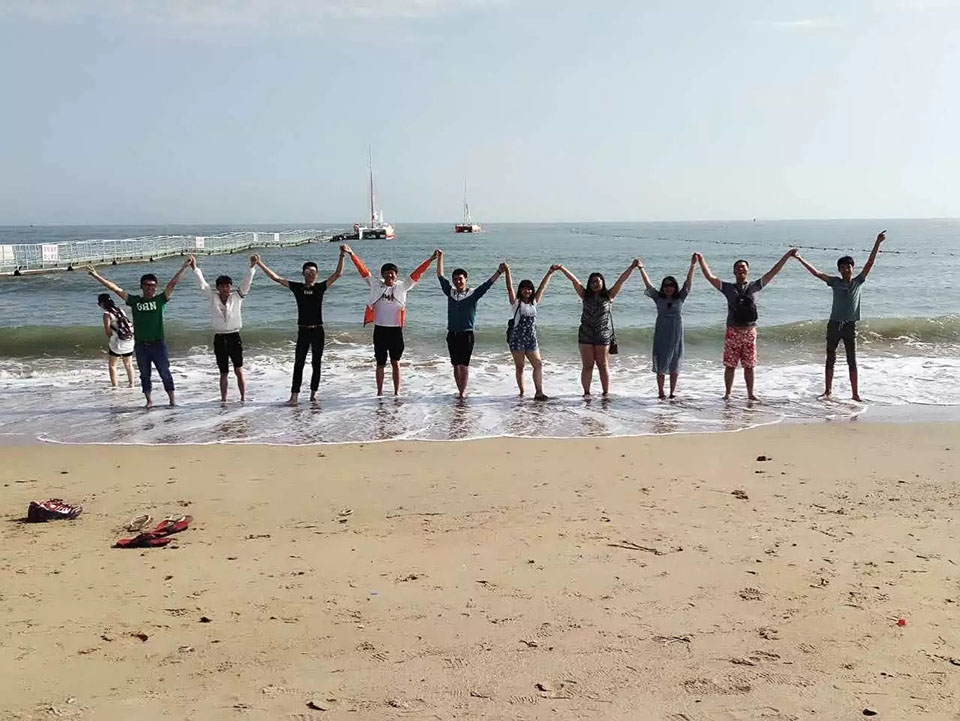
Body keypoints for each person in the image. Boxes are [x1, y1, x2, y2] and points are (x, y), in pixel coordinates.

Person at [794, 231, 886, 401]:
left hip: (850, 325)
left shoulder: (858, 281)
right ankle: (828, 391)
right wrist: (799, 258)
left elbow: (870, 263)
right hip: (834, 324)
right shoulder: (835, 282)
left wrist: (878, 242)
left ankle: (855, 394)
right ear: (839, 269)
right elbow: (817, 273)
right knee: (830, 358)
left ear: (852, 268)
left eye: (848, 267)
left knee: (852, 360)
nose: (846, 269)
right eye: (842, 267)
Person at [88, 259, 191, 408]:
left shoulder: (160, 300)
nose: (150, 288)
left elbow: (172, 284)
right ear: (141, 286)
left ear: (155, 287)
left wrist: (184, 267)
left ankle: (172, 400)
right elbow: (115, 289)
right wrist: (97, 276)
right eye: (147, 285)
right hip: (141, 345)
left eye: (152, 285)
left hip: (158, 343)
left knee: (165, 372)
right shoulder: (135, 301)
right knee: (144, 374)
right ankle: (149, 401)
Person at [697, 249, 797, 400]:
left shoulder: (755, 286)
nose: (740, 269)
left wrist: (787, 256)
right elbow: (710, 277)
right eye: (738, 267)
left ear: (748, 270)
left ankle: (751, 394)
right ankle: (727, 394)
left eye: (743, 267)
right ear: (734, 272)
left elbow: (773, 272)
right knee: (730, 365)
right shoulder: (728, 288)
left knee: (749, 366)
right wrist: (700, 260)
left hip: (750, 331)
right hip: (733, 331)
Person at [343, 244, 438, 396]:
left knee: (395, 362)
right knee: (380, 363)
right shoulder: (375, 284)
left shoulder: (403, 286)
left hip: (395, 331)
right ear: (382, 274)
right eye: (386, 273)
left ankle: (396, 392)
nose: (389, 276)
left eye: (392, 273)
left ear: (396, 275)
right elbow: (362, 270)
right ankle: (379, 392)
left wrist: (431, 259)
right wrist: (351, 254)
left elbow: (417, 273)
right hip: (380, 330)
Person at [256, 249, 346, 406]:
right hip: (303, 330)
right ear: (303, 274)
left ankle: (313, 395)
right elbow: (276, 278)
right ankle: (294, 397)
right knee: (299, 363)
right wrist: (259, 263)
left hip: (318, 330)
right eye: (308, 271)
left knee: (316, 363)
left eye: (313, 272)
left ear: (317, 274)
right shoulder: (297, 288)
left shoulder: (320, 287)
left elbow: (338, 274)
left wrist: (342, 255)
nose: (311, 274)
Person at [556, 260, 640, 397]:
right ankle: (586, 394)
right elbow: (574, 281)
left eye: (597, 281)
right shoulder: (585, 295)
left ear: (602, 282)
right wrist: (562, 268)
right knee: (587, 365)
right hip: (586, 334)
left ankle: (605, 394)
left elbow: (621, 280)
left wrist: (632, 267)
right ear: (589, 284)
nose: (595, 284)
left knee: (603, 365)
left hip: (602, 334)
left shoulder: (609, 295)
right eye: (592, 282)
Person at [188, 253, 258, 403]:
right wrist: (194, 267)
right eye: (222, 286)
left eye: (227, 286)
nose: (225, 289)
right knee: (223, 372)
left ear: (230, 287)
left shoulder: (237, 297)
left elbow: (246, 283)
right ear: (218, 287)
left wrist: (252, 267)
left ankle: (243, 398)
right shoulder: (213, 296)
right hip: (219, 338)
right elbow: (202, 285)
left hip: (234, 336)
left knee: (238, 370)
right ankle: (224, 400)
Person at [436, 249, 504, 399]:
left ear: (466, 279)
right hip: (452, 334)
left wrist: (499, 272)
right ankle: (459, 390)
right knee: (455, 365)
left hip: (466, 334)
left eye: (460, 279)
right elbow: (440, 276)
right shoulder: (450, 293)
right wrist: (440, 257)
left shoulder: (473, 294)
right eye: (455, 279)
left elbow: (487, 285)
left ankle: (463, 392)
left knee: (463, 365)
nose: (457, 281)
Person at [638, 253, 697, 399]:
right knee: (661, 361)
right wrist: (641, 268)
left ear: (675, 287)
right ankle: (661, 392)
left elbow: (688, 283)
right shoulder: (658, 297)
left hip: (676, 333)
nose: (668, 288)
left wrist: (693, 265)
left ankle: (672, 392)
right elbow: (648, 285)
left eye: (671, 285)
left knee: (675, 362)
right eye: (665, 286)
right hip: (662, 333)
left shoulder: (680, 297)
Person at [503, 263, 557, 400]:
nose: (527, 291)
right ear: (520, 290)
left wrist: (550, 272)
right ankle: (522, 393)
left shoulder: (534, 302)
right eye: (524, 289)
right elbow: (509, 288)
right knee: (520, 367)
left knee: (538, 364)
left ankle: (539, 392)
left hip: (531, 339)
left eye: (529, 289)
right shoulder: (516, 304)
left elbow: (542, 287)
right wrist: (507, 271)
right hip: (517, 339)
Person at [97, 292, 135, 388]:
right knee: (128, 364)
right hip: (129, 340)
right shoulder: (120, 310)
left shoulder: (107, 314)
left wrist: (111, 339)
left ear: (102, 304)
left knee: (112, 365)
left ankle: (115, 386)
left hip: (117, 343)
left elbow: (108, 331)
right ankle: (132, 384)